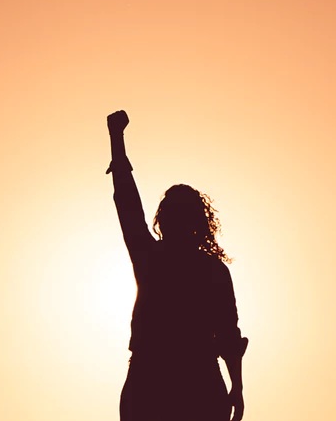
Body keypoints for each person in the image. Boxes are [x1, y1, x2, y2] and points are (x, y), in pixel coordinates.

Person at [106, 110, 248, 421]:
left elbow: (228, 334)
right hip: (171, 380)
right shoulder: (204, 268)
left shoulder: (155, 259)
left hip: (173, 382)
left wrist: (117, 140)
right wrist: (236, 387)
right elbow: (127, 202)